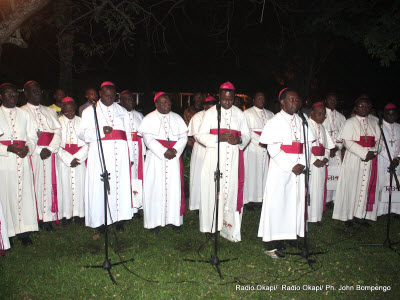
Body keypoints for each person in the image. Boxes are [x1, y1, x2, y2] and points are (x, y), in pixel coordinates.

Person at [258, 88, 315, 258]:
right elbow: (273, 148)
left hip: (299, 169)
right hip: (281, 169)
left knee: (295, 202)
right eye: (291, 99)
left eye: (297, 100)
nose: (295, 102)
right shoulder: (274, 122)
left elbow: (309, 146)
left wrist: (302, 164)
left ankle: (291, 235)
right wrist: (292, 166)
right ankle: (275, 240)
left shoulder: (303, 121)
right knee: (279, 203)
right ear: (282, 102)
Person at [197, 82, 250, 242]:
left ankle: (227, 227)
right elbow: (199, 135)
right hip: (214, 158)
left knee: (230, 191)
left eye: (231, 100)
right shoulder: (210, 113)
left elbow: (247, 135)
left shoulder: (240, 114)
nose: (228, 103)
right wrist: (217, 138)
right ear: (219, 97)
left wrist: (239, 139)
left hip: (232, 159)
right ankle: (210, 227)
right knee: (211, 192)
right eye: (225, 99)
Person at [79, 81, 135, 231]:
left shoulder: (122, 111)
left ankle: (118, 219)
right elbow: (82, 134)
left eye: (112, 96)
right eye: (106, 95)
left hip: (121, 155)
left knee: (119, 185)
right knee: (100, 187)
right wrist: (99, 131)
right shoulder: (89, 111)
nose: (109, 99)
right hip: (100, 154)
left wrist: (131, 157)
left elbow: (128, 135)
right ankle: (100, 221)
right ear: (100, 94)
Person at [138, 92, 187, 233]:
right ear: (156, 104)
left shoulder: (177, 118)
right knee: (154, 189)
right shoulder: (149, 118)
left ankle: (174, 221)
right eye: (163, 103)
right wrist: (163, 151)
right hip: (155, 159)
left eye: (169, 103)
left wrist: (175, 150)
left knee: (174, 189)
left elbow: (183, 137)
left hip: (173, 159)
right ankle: (154, 223)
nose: (167, 105)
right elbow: (148, 139)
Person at [333, 96, 381, 227]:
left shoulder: (374, 122)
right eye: (361, 106)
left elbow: (380, 142)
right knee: (351, 187)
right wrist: (364, 153)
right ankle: (348, 216)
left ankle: (360, 215)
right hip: (354, 159)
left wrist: (373, 152)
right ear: (355, 108)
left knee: (364, 187)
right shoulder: (350, 122)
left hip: (369, 160)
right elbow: (347, 142)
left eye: (367, 106)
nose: (364, 108)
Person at [0, 83, 38, 245]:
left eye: (15, 94)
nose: (13, 97)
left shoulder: (24, 114)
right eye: (8, 94)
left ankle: (24, 232)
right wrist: (7, 148)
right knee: (6, 197)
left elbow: (33, 137)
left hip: (22, 161)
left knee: (24, 195)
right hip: (4, 162)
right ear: (1, 96)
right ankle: (7, 232)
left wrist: (28, 148)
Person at [21, 80, 62, 231]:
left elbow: (58, 132)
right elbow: (22, 135)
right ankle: (35, 218)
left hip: (49, 154)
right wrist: (38, 150)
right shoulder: (22, 111)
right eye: (33, 91)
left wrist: (50, 149)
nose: (37, 93)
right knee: (34, 185)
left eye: (39, 91)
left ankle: (47, 219)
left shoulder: (50, 111)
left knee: (48, 185)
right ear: (26, 93)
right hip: (33, 155)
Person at [56, 97, 88, 225]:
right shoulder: (57, 123)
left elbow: (88, 142)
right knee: (64, 186)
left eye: (72, 110)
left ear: (75, 108)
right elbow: (56, 145)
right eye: (67, 110)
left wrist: (78, 157)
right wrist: (69, 159)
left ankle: (80, 214)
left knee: (80, 186)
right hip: (63, 160)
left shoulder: (82, 122)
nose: (70, 113)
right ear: (62, 108)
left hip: (79, 160)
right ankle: (66, 215)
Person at [243, 92, 274, 207]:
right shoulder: (246, 113)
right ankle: (250, 199)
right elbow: (246, 131)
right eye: (258, 98)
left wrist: (267, 142)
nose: (261, 100)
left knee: (264, 173)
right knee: (251, 174)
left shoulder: (271, 114)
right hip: (252, 147)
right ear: (253, 100)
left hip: (266, 149)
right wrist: (262, 141)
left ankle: (261, 197)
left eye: (263, 98)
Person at [188, 96, 217, 211]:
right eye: (208, 104)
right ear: (204, 105)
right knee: (199, 176)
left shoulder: (219, 116)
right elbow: (197, 136)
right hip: (201, 150)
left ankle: (212, 202)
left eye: (213, 104)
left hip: (214, 150)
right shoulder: (197, 117)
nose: (210, 106)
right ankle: (197, 204)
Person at [308, 102, 335, 224]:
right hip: (310, 164)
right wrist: (314, 160)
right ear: (312, 113)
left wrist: (326, 157)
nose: (322, 116)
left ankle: (316, 216)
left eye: (324, 114)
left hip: (321, 164)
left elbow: (328, 147)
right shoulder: (306, 125)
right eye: (319, 114)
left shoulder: (323, 128)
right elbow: (305, 147)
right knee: (310, 189)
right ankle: (308, 216)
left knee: (319, 189)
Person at [119, 90, 145, 214]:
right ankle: (126, 206)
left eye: (132, 99)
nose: (131, 102)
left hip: (138, 150)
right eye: (128, 99)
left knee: (136, 178)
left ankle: (136, 206)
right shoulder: (118, 115)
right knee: (125, 178)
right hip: (125, 150)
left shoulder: (139, 115)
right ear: (121, 101)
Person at [322, 92, 346, 206]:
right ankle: (325, 198)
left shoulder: (341, 117)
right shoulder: (321, 114)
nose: (332, 101)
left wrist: (337, 147)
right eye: (330, 99)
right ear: (325, 100)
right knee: (325, 174)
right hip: (325, 150)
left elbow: (344, 134)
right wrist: (328, 148)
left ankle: (335, 199)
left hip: (336, 151)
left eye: (334, 99)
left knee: (336, 174)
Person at [377, 103, 400, 216]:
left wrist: (397, 158)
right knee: (383, 184)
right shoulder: (379, 127)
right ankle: (381, 210)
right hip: (383, 161)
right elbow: (379, 146)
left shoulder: (399, 127)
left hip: (397, 162)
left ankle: (394, 209)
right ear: (384, 114)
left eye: (394, 114)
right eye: (389, 114)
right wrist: (390, 159)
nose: (392, 116)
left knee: (395, 184)